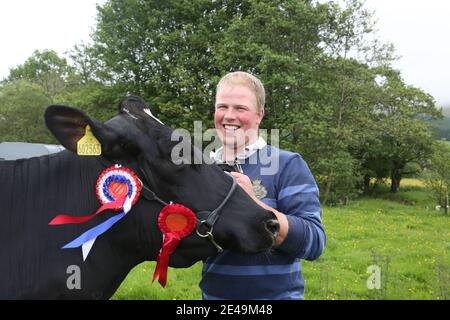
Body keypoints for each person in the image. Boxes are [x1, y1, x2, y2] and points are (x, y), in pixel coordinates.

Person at [199, 71, 326, 300]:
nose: (229, 116)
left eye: (240, 108)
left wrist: (254, 206)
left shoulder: (288, 165)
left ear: (259, 115)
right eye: (222, 106)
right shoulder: (203, 169)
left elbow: (314, 243)